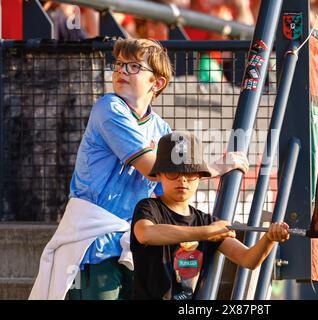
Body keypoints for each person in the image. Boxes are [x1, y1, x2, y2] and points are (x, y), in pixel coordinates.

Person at [29, 38, 248, 300]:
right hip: (91, 242)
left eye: (134, 66)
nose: (122, 70)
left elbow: (168, 189)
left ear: (157, 83)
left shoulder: (162, 129)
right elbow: (153, 169)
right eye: (120, 64)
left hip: (130, 246)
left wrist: (207, 228)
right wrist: (213, 168)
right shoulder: (108, 108)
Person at [131, 131, 290, 300]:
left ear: (200, 176)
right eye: (173, 172)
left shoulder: (206, 222)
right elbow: (146, 234)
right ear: (160, 174)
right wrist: (207, 232)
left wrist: (270, 238)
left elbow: (248, 259)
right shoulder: (149, 207)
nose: (182, 180)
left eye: (190, 173)